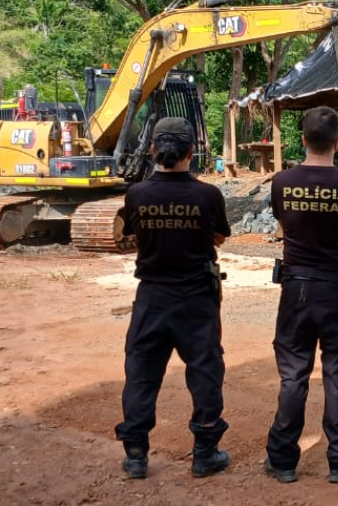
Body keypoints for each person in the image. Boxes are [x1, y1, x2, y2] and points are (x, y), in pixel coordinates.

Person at [115, 117, 231, 480]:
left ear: (153, 150)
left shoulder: (137, 194)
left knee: (141, 375)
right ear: (191, 152)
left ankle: (136, 456)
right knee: (205, 374)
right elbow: (220, 238)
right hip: (196, 299)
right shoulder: (207, 195)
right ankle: (204, 454)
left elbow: (128, 236)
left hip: (151, 298)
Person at [265, 106, 338, 484]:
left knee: (293, 375)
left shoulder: (282, 182)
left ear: (303, 139)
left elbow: (283, 221)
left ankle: (282, 461)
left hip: (295, 288)